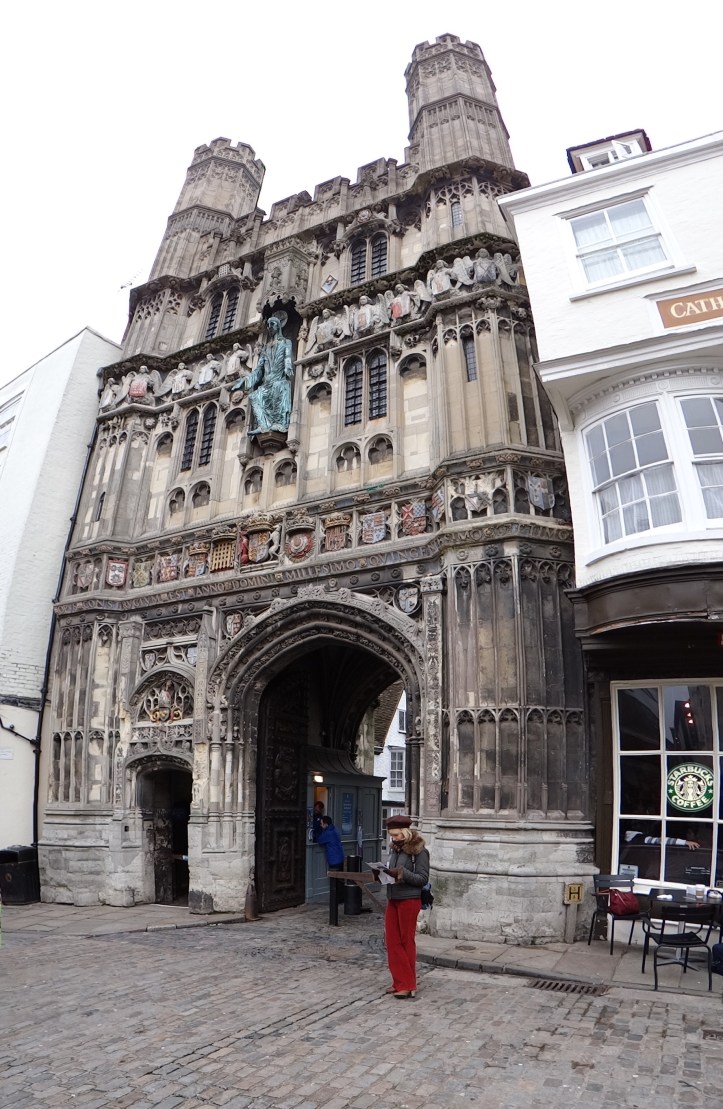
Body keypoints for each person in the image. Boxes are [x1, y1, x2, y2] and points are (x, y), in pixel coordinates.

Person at [383, 814, 429, 999]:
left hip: (409, 899)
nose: (393, 839)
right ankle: (399, 981)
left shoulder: (419, 851)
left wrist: (402, 873)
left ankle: (408, 984)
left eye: (396, 835)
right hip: (393, 898)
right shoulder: (395, 850)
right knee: (392, 941)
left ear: (405, 833)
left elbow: (422, 878)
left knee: (405, 941)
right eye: (392, 836)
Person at [231, 316, 294, 435]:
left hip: (279, 379)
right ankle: (263, 425)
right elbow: (259, 370)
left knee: (278, 387)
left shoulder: (286, 342)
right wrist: (244, 381)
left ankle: (280, 424)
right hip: (267, 382)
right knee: (254, 396)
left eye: (273, 324)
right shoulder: (265, 348)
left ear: (278, 326)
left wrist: (288, 367)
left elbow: (287, 357)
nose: (270, 327)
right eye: (269, 325)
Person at [317, 815, 345, 911]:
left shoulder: (328, 833)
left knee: (335, 880)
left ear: (325, 824)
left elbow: (320, 840)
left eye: (321, 823)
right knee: (340, 879)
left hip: (334, 858)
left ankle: (338, 898)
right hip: (339, 857)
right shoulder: (334, 830)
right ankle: (341, 897)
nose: (320, 825)